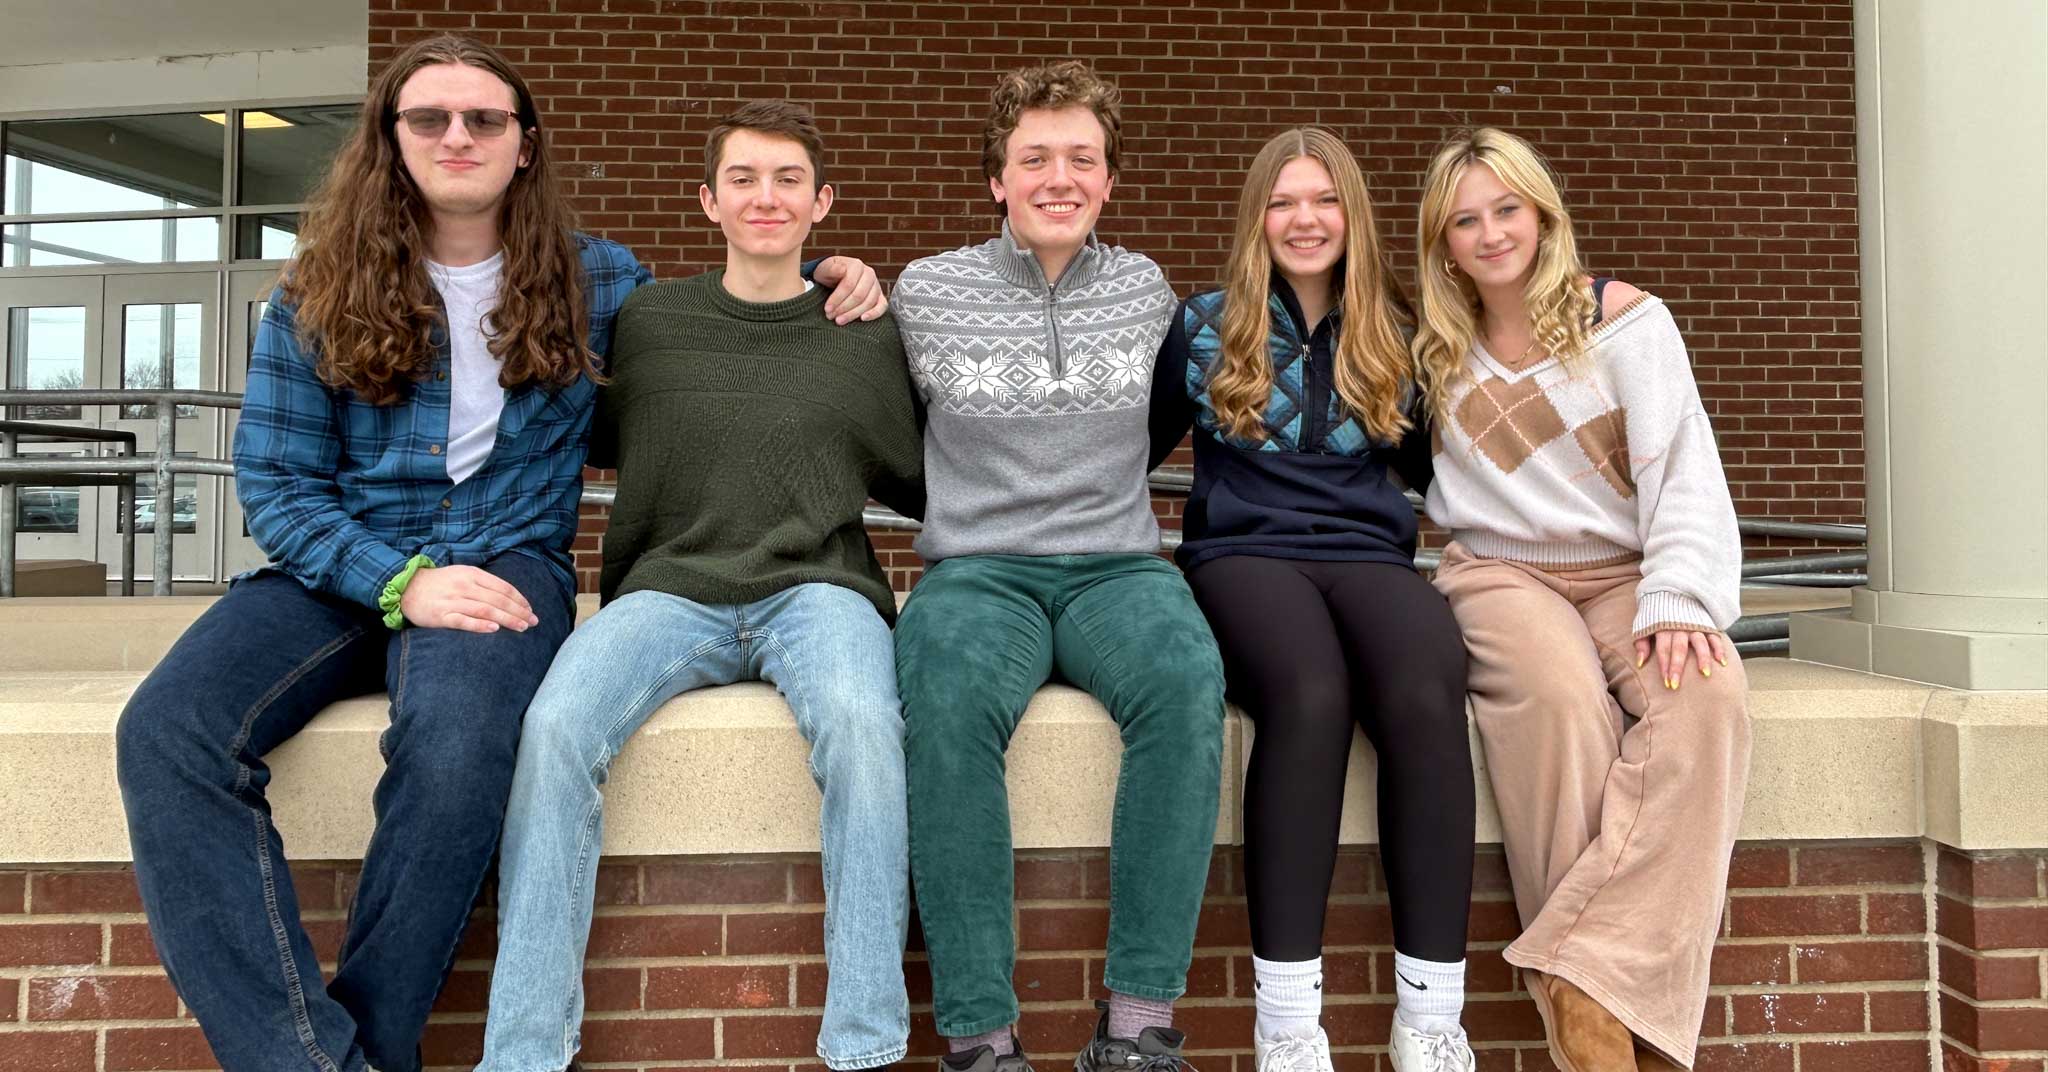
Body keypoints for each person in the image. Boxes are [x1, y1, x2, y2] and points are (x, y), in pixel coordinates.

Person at [113, 36, 881, 1072]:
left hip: (507, 558)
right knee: (167, 731)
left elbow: (726, 331)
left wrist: (835, 277)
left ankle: (375, 1042)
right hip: (337, 562)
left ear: (523, 146)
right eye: (429, 118)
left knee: (465, 749)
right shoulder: (316, 289)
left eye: (485, 119)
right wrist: (399, 583)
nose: (458, 136)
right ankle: (308, 1059)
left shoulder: (601, 280)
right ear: (391, 142)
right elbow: (277, 488)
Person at [474, 99, 921, 1072]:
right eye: (746, 179)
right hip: (666, 590)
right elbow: (568, 420)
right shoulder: (647, 319)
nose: (767, 197)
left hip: (819, 588)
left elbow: (925, 479)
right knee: (552, 729)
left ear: (821, 202)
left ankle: (865, 1042)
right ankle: (520, 1052)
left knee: (860, 721)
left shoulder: (860, 330)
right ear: (708, 200)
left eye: (788, 180)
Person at [889, 61, 1225, 1072]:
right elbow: (878, 428)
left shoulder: (1146, 290)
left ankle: (1136, 1025)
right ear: (997, 179)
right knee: (942, 699)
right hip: (977, 571)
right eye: (1033, 157)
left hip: (1117, 567)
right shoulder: (924, 291)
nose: (1057, 176)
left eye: (1081, 158)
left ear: (1108, 180)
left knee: (1185, 681)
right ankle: (979, 1035)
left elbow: (1167, 415)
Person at [1412, 127, 1751, 1072]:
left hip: (1626, 571)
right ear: (1443, 241)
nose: (1489, 234)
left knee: (1707, 698)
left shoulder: (1628, 324)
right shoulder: (1432, 348)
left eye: (1506, 209)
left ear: (1544, 211)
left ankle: (1577, 981)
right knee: (1561, 704)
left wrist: (1679, 595)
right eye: (1464, 220)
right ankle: (1602, 1020)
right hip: (1497, 574)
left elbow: (1684, 472)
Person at [1149, 127, 1476, 1072]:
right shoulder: (1203, 326)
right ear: (1258, 218)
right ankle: (1289, 1025)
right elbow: (1116, 455)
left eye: (1324, 200)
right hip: (1243, 559)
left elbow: (1449, 476)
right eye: (1284, 201)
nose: (1305, 219)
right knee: (1311, 692)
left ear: (1353, 217)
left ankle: (1430, 1018)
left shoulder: (1402, 335)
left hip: (1371, 560)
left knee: (1424, 685)